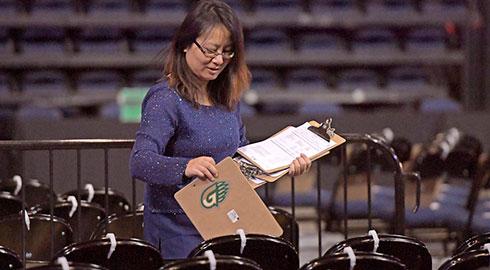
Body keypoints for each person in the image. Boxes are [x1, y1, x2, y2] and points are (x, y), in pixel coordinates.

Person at [129, 0, 311, 259]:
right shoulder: (165, 98)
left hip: (225, 223)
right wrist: (185, 167)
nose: (218, 60)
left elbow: (241, 166)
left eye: (227, 52)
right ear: (185, 44)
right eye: (211, 50)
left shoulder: (228, 99)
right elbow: (139, 161)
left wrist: (283, 166)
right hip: (176, 231)